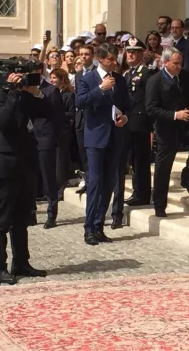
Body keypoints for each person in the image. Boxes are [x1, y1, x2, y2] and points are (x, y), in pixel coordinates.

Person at [0, 71, 52, 285]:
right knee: (1, 220)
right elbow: (3, 121)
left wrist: (37, 92)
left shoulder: (26, 96)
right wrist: (13, 93)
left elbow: (49, 113)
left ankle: (21, 263)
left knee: (21, 219)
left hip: (26, 164)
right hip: (5, 165)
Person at [76, 43, 130, 245]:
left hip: (115, 136)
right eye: (111, 60)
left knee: (109, 184)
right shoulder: (87, 79)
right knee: (95, 182)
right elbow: (80, 102)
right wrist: (100, 88)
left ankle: (99, 226)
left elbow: (126, 105)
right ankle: (88, 227)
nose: (114, 63)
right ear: (101, 59)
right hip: (95, 138)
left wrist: (125, 117)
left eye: (116, 59)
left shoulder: (121, 81)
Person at [146, 48, 189, 217]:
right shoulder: (155, 80)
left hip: (187, 125)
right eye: (175, 63)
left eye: (180, 63)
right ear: (165, 62)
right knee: (163, 169)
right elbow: (151, 108)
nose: (179, 66)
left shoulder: (185, 76)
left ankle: (187, 177)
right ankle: (160, 204)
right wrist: (175, 115)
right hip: (166, 129)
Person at [116, 39, 157, 217]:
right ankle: (137, 190)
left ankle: (143, 193)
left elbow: (148, 99)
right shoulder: (126, 74)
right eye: (128, 51)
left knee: (140, 159)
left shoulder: (147, 73)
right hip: (128, 121)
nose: (131, 54)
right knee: (133, 159)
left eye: (135, 51)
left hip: (140, 120)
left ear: (142, 53)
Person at [32, 62, 65, 229]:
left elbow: (58, 117)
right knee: (29, 177)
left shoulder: (51, 90)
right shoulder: (23, 89)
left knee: (48, 177)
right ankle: (30, 212)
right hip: (28, 139)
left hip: (46, 138)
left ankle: (52, 213)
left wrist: (53, 138)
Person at [49, 68, 76, 223]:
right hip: (51, 132)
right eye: (51, 77)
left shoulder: (68, 95)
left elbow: (72, 113)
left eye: (55, 78)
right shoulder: (50, 93)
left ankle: (59, 189)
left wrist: (58, 114)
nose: (52, 80)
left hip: (63, 132)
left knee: (60, 163)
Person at [74, 45, 97, 194]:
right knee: (82, 151)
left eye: (87, 54)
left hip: (94, 117)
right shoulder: (78, 74)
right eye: (81, 54)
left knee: (92, 152)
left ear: (92, 55)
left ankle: (93, 182)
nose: (84, 57)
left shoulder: (97, 73)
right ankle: (87, 180)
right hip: (80, 118)